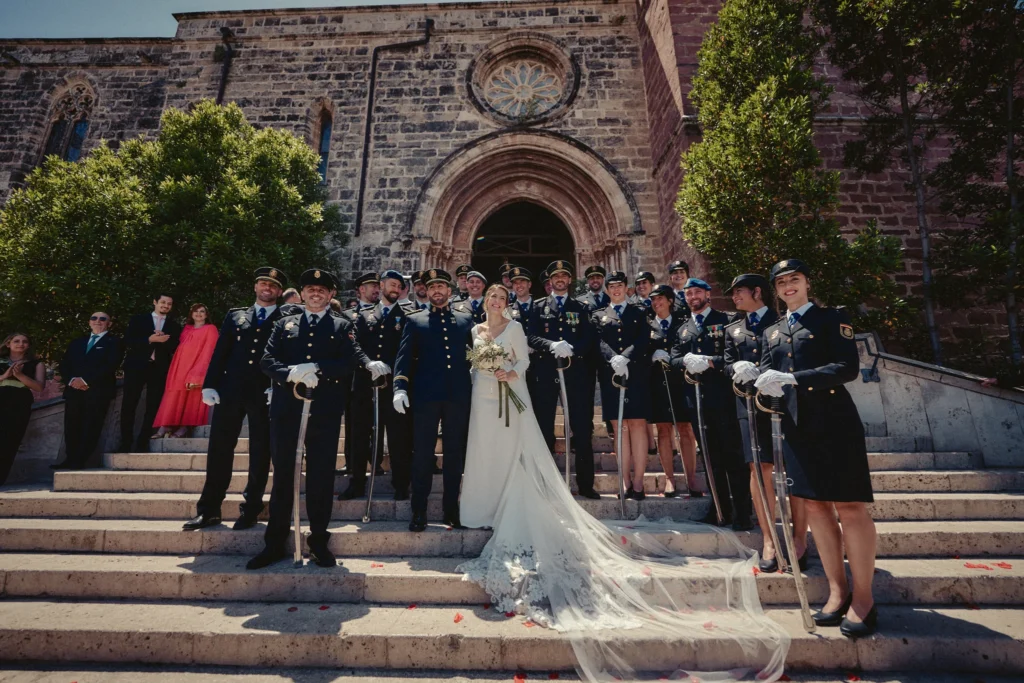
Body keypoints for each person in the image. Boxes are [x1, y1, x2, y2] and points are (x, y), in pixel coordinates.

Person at [458, 310, 791, 683]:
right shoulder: (496, 322)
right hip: (495, 390)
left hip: (577, 377)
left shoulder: (600, 316)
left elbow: (574, 338)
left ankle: (712, 503)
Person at [755, 258, 877, 637]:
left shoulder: (830, 319)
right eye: (782, 282)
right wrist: (753, 380)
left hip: (835, 425)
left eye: (795, 279)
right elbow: (764, 377)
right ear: (775, 290)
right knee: (817, 509)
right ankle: (837, 591)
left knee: (849, 506)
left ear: (807, 282)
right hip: (797, 429)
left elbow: (846, 368)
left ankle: (864, 598)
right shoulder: (772, 332)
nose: (789, 286)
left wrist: (792, 377)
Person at [247, 268, 382, 570]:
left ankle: (319, 542)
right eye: (310, 288)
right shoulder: (284, 324)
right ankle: (274, 543)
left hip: (324, 411)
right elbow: (267, 360)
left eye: (322, 290)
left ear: (331, 295)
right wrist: (290, 372)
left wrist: (317, 367)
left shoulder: (340, 325)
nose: (316, 293)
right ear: (303, 292)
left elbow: (348, 360)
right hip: (287, 410)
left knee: (321, 478)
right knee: (283, 476)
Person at [184, 269, 298, 531]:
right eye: (263, 283)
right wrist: (210, 384)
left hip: (264, 392)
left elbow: (288, 354)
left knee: (260, 452)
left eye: (273, 285)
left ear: (280, 292)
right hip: (231, 390)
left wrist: (280, 384)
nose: (267, 288)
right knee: (219, 450)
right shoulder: (236, 315)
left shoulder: (288, 317)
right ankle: (209, 509)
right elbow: (221, 351)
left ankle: (251, 508)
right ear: (256, 286)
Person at [724, 273, 807, 572]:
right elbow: (725, 361)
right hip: (749, 406)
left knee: (794, 467)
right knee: (758, 468)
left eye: (739, 292)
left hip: (785, 404)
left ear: (757, 292)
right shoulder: (733, 329)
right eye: (732, 294)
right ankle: (769, 539)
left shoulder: (783, 320)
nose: (734, 298)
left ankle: (799, 539)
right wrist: (735, 365)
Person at [392, 268, 475, 532]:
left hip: (458, 396)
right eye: (432, 287)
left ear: (450, 291)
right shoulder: (415, 321)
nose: (437, 291)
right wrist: (399, 387)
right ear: (426, 292)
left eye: (442, 286)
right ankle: (419, 510)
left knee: (454, 455)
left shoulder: (465, 320)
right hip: (425, 397)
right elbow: (403, 357)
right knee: (423, 455)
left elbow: (475, 355)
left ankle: (451, 510)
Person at [672, 277, 752, 530]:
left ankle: (742, 510)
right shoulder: (683, 328)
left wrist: (709, 361)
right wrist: (685, 361)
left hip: (725, 400)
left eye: (697, 292)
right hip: (697, 402)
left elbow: (733, 357)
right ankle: (719, 508)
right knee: (709, 457)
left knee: (733, 457)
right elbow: (673, 358)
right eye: (688, 294)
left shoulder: (726, 321)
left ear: (708, 294)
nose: (693, 297)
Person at [525, 260, 600, 499]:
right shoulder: (538, 307)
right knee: (545, 428)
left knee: (581, 428)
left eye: (564, 276)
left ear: (569, 280)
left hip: (575, 374)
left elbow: (589, 339)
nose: (559, 280)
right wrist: (551, 345)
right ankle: (547, 484)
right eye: (555, 276)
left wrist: (573, 350)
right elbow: (531, 336)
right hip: (546, 374)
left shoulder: (581, 307)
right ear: (550, 281)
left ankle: (586, 484)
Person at [341, 270, 416, 501]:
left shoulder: (408, 316)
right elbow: (353, 345)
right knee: (360, 436)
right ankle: (357, 482)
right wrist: (367, 362)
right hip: (365, 386)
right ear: (381, 285)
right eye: (392, 284)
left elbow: (410, 349)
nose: (396, 289)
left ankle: (401, 484)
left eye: (400, 286)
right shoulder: (362, 315)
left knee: (398, 437)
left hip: (394, 387)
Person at [592, 271, 651, 500]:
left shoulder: (640, 311)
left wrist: (626, 356)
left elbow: (644, 338)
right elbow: (598, 340)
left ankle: (638, 483)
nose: (615, 289)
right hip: (611, 375)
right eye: (611, 286)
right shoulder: (598, 314)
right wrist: (612, 358)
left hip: (635, 372)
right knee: (619, 428)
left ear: (626, 287)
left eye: (619, 285)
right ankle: (625, 481)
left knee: (637, 425)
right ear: (606, 290)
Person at [645, 285, 698, 498]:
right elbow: (642, 350)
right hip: (658, 384)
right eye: (653, 300)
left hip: (681, 383)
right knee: (664, 430)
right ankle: (669, 478)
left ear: (669, 301)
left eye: (660, 299)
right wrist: (651, 356)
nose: (656, 303)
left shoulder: (683, 323)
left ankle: (691, 478)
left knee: (685, 429)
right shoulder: (647, 325)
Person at [53, 312, 124, 470]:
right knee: (71, 425)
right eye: (94, 318)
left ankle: (80, 460)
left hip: (98, 391)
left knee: (91, 425)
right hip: (74, 391)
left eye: (103, 319)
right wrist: (72, 380)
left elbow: (110, 365)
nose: (98, 321)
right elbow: (65, 364)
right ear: (89, 322)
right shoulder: (78, 342)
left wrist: (85, 381)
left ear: (109, 324)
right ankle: (70, 459)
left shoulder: (115, 342)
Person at [119, 294, 181, 452]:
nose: (165, 306)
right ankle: (125, 443)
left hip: (159, 369)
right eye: (163, 302)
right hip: (136, 367)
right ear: (155, 302)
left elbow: (175, 347)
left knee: (153, 407)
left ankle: (143, 443)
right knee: (129, 405)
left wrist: (163, 341)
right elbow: (128, 341)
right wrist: (149, 339)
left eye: (169, 303)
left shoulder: (174, 326)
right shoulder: (138, 320)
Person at [152, 304, 219, 439]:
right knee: (173, 395)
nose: (199, 314)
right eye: (196, 311)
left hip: (196, 366)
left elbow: (209, 351)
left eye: (202, 311)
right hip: (179, 366)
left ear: (206, 315)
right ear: (191, 314)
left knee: (192, 398)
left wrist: (199, 371)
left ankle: (184, 427)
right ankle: (166, 425)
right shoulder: (186, 329)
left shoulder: (210, 329)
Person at [0, 332, 46, 484]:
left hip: (19, 401)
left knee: (10, 439)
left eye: (25, 341)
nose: (21, 343)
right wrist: (4, 375)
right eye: (16, 341)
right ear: (8, 343)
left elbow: (39, 387)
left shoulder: (36, 363)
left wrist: (20, 376)